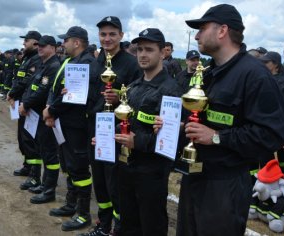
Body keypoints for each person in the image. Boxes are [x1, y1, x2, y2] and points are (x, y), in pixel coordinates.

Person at [174, 4, 284, 235]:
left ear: (222, 30)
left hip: (226, 185)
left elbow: (272, 136)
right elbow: (202, 120)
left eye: (202, 28)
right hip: (194, 177)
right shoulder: (207, 74)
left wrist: (216, 138)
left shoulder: (255, 76)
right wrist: (181, 126)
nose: (196, 35)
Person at [109, 28, 182, 236]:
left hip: (152, 171)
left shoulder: (171, 91)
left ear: (163, 52)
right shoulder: (132, 87)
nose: (142, 54)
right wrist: (109, 135)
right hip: (126, 167)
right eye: (139, 49)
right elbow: (126, 122)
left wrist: (138, 142)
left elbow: (171, 141)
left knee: (151, 224)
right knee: (129, 222)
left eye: (149, 49)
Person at [82, 16, 142, 236]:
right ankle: (103, 226)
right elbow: (89, 94)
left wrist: (120, 99)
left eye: (112, 34)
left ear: (121, 36)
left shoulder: (131, 64)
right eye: (103, 34)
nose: (107, 39)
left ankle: (119, 229)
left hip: (117, 132)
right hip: (94, 128)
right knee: (100, 182)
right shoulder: (97, 61)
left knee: (116, 183)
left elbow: (138, 100)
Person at [43, 26, 95, 231]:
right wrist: (50, 108)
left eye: (66, 40)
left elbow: (73, 98)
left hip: (78, 127)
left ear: (77, 42)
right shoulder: (70, 61)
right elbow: (56, 88)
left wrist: (52, 110)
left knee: (79, 169)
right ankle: (71, 204)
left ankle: (83, 215)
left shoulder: (87, 63)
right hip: (64, 124)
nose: (62, 44)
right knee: (69, 166)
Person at [18, 35, 61, 204]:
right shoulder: (43, 65)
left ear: (53, 47)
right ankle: (44, 184)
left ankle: (49, 190)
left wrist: (26, 103)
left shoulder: (53, 66)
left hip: (46, 115)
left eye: (43, 46)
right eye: (38, 46)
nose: (39, 48)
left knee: (50, 154)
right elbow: (32, 86)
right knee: (43, 150)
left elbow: (43, 91)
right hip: (36, 115)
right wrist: (25, 103)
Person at [7, 30, 42, 190]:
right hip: (22, 102)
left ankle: (34, 175)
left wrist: (13, 94)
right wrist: (12, 94)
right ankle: (27, 166)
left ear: (35, 42)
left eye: (26, 41)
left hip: (30, 106)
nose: (23, 44)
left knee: (29, 140)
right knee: (23, 138)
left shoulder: (36, 60)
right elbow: (19, 79)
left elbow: (26, 82)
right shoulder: (27, 58)